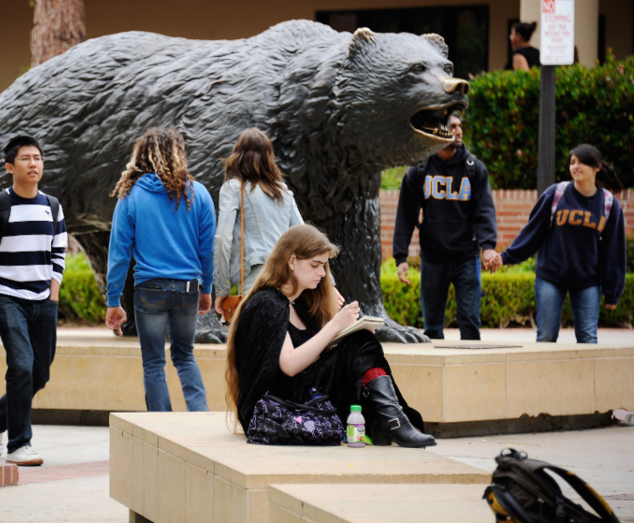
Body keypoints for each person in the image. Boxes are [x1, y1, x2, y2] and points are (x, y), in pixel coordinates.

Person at [225, 224, 436, 448]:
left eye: (324, 265)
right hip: (277, 407)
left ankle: (390, 422)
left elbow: (313, 356)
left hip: (299, 395)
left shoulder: (298, 304)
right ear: (292, 261)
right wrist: (335, 325)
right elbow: (288, 364)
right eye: (315, 265)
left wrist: (348, 335)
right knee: (358, 343)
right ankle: (391, 423)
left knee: (359, 341)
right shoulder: (267, 304)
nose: (323, 273)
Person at [0, 135, 67, 466]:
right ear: (10, 167)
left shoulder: (52, 206)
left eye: (37, 157)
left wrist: (53, 292)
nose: (33, 163)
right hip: (8, 299)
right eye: (25, 158)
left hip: (43, 302)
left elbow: (59, 253)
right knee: (21, 366)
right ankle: (20, 444)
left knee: (40, 374)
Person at [105, 127, 216, 412]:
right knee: (185, 355)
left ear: (142, 157)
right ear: (178, 154)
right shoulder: (198, 194)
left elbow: (119, 254)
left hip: (149, 289)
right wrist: (206, 289)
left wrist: (113, 300)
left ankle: (161, 426)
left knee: (153, 361)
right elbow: (207, 250)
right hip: (189, 288)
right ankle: (200, 415)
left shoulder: (130, 195)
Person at [489, 144, 626, 343]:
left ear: (596, 167)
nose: (575, 167)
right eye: (572, 162)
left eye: (582, 162)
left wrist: (613, 291)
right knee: (546, 336)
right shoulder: (557, 194)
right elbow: (532, 232)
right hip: (550, 277)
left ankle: (585, 376)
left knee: (588, 338)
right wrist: (505, 257)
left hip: (587, 281)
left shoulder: (608, 204)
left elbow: (613, 250)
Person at [392, 113, 498, 340]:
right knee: (431, 328)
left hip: (466, 258)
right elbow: (405, 216)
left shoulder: (474, 169)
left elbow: (485, 211)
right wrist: (401, 257)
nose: (458, 131)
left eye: (460, 126)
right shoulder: (419, 171)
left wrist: (488, 246)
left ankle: (471, 373)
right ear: (436, 131)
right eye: (452, 126)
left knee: (470, 325)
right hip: (432, 258)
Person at [214, 128, 303, 316]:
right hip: (287, 278)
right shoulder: (284, 192)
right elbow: (307, 239)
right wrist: (329, 284)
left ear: (237, 155)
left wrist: (221, 289)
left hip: (256, 277)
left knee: (253, 341)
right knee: (281, 341)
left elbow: (222, 240)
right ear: (269, 158)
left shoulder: (233, 188)